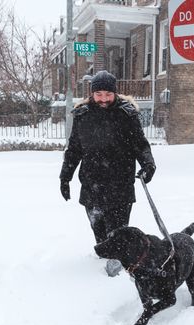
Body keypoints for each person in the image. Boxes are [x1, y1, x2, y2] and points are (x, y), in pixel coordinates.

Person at [59, 70, 156, 276]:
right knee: (98, 228)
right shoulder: (82, 115)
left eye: (108, 95)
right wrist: (65, 178)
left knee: (118, 230)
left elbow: (140, 144)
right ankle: (101, 263)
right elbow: (74, 149)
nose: (103, 99)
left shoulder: (126, 114)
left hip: (120, 183)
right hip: (92, 183)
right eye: (99, 94)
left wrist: (148, 164)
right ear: (92, 94)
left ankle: (115, 272)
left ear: (115, 93)